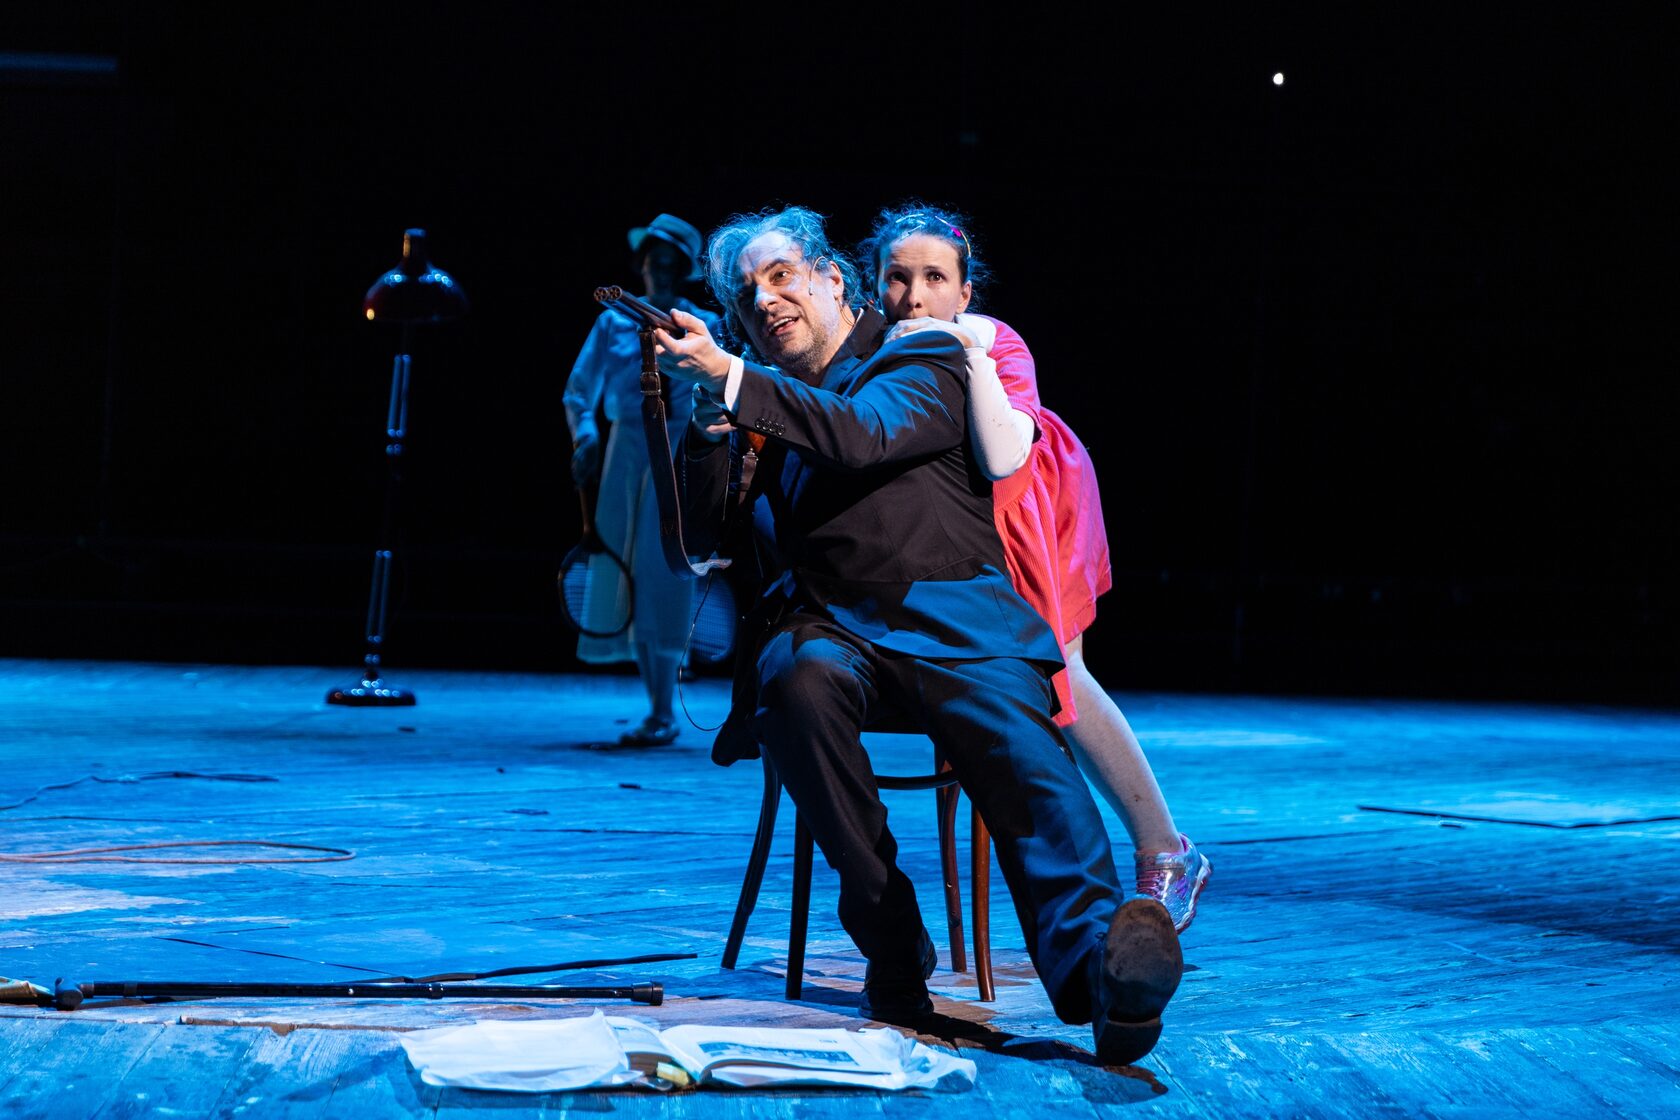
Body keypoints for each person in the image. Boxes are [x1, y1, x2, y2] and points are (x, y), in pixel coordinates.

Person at [653, 206, 1183, 1067]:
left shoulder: (918, 349)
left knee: (1024, 757)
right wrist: (708, 427)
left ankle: (1105, 975)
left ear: (834, 279)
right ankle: (894, 950)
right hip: (831, 627)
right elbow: (702, 542)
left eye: (782, 276)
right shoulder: (757, 399)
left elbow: (864, 437)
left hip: (950, 616)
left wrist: (735, 380)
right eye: (747, 296)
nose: (766, 300)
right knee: (794, 683)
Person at [860, 206, 1212, 932]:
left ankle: (1166, 849)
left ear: (964, 291)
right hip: (957, 524)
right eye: (898, 278)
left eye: (935, 279)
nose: (915, 296)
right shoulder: (873, 344)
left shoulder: (991, 339)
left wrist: (960, 347)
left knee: (1062, 676)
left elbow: (1002, 458)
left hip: (1030, 505)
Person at [563, 214, 721, 746]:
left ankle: (662, 709)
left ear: (682, 268)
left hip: (675, 447)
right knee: (623, 570)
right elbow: (579, 390)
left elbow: (717, 392)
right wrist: (586, 437)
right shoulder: (614, 320)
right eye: (653, 260)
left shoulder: (700, 323)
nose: (660, 270)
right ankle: (657, 706)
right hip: (626, 450)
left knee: (663, 570)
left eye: (670, 262)